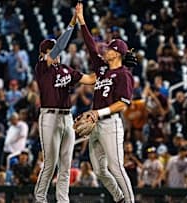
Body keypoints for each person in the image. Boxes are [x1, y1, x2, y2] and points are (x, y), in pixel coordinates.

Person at [33, 12, 96, 203]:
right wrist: (72, 23)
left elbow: (90, 79)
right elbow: (60, 45)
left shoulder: (66, 69)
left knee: (66, 164)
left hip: (67, 116)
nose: (56, 52)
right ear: (43, 54)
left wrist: (111, 67)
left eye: (55, 50)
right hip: (49, 117)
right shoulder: (41, 67)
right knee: (50, 164)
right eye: (51, 50)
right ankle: (40, 199)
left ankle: (63, 201)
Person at [76, 3, 135, 202]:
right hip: (96, 124)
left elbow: (123, 103)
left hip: (110, 123)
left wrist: (98, 113)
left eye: (110, 48)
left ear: (117, 53)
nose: (106, 49)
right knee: (100, 170)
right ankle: (119, 198)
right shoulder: (102, 70)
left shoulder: (124, 75)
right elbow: (91, 46)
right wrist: (82, 21)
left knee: (116, 167)